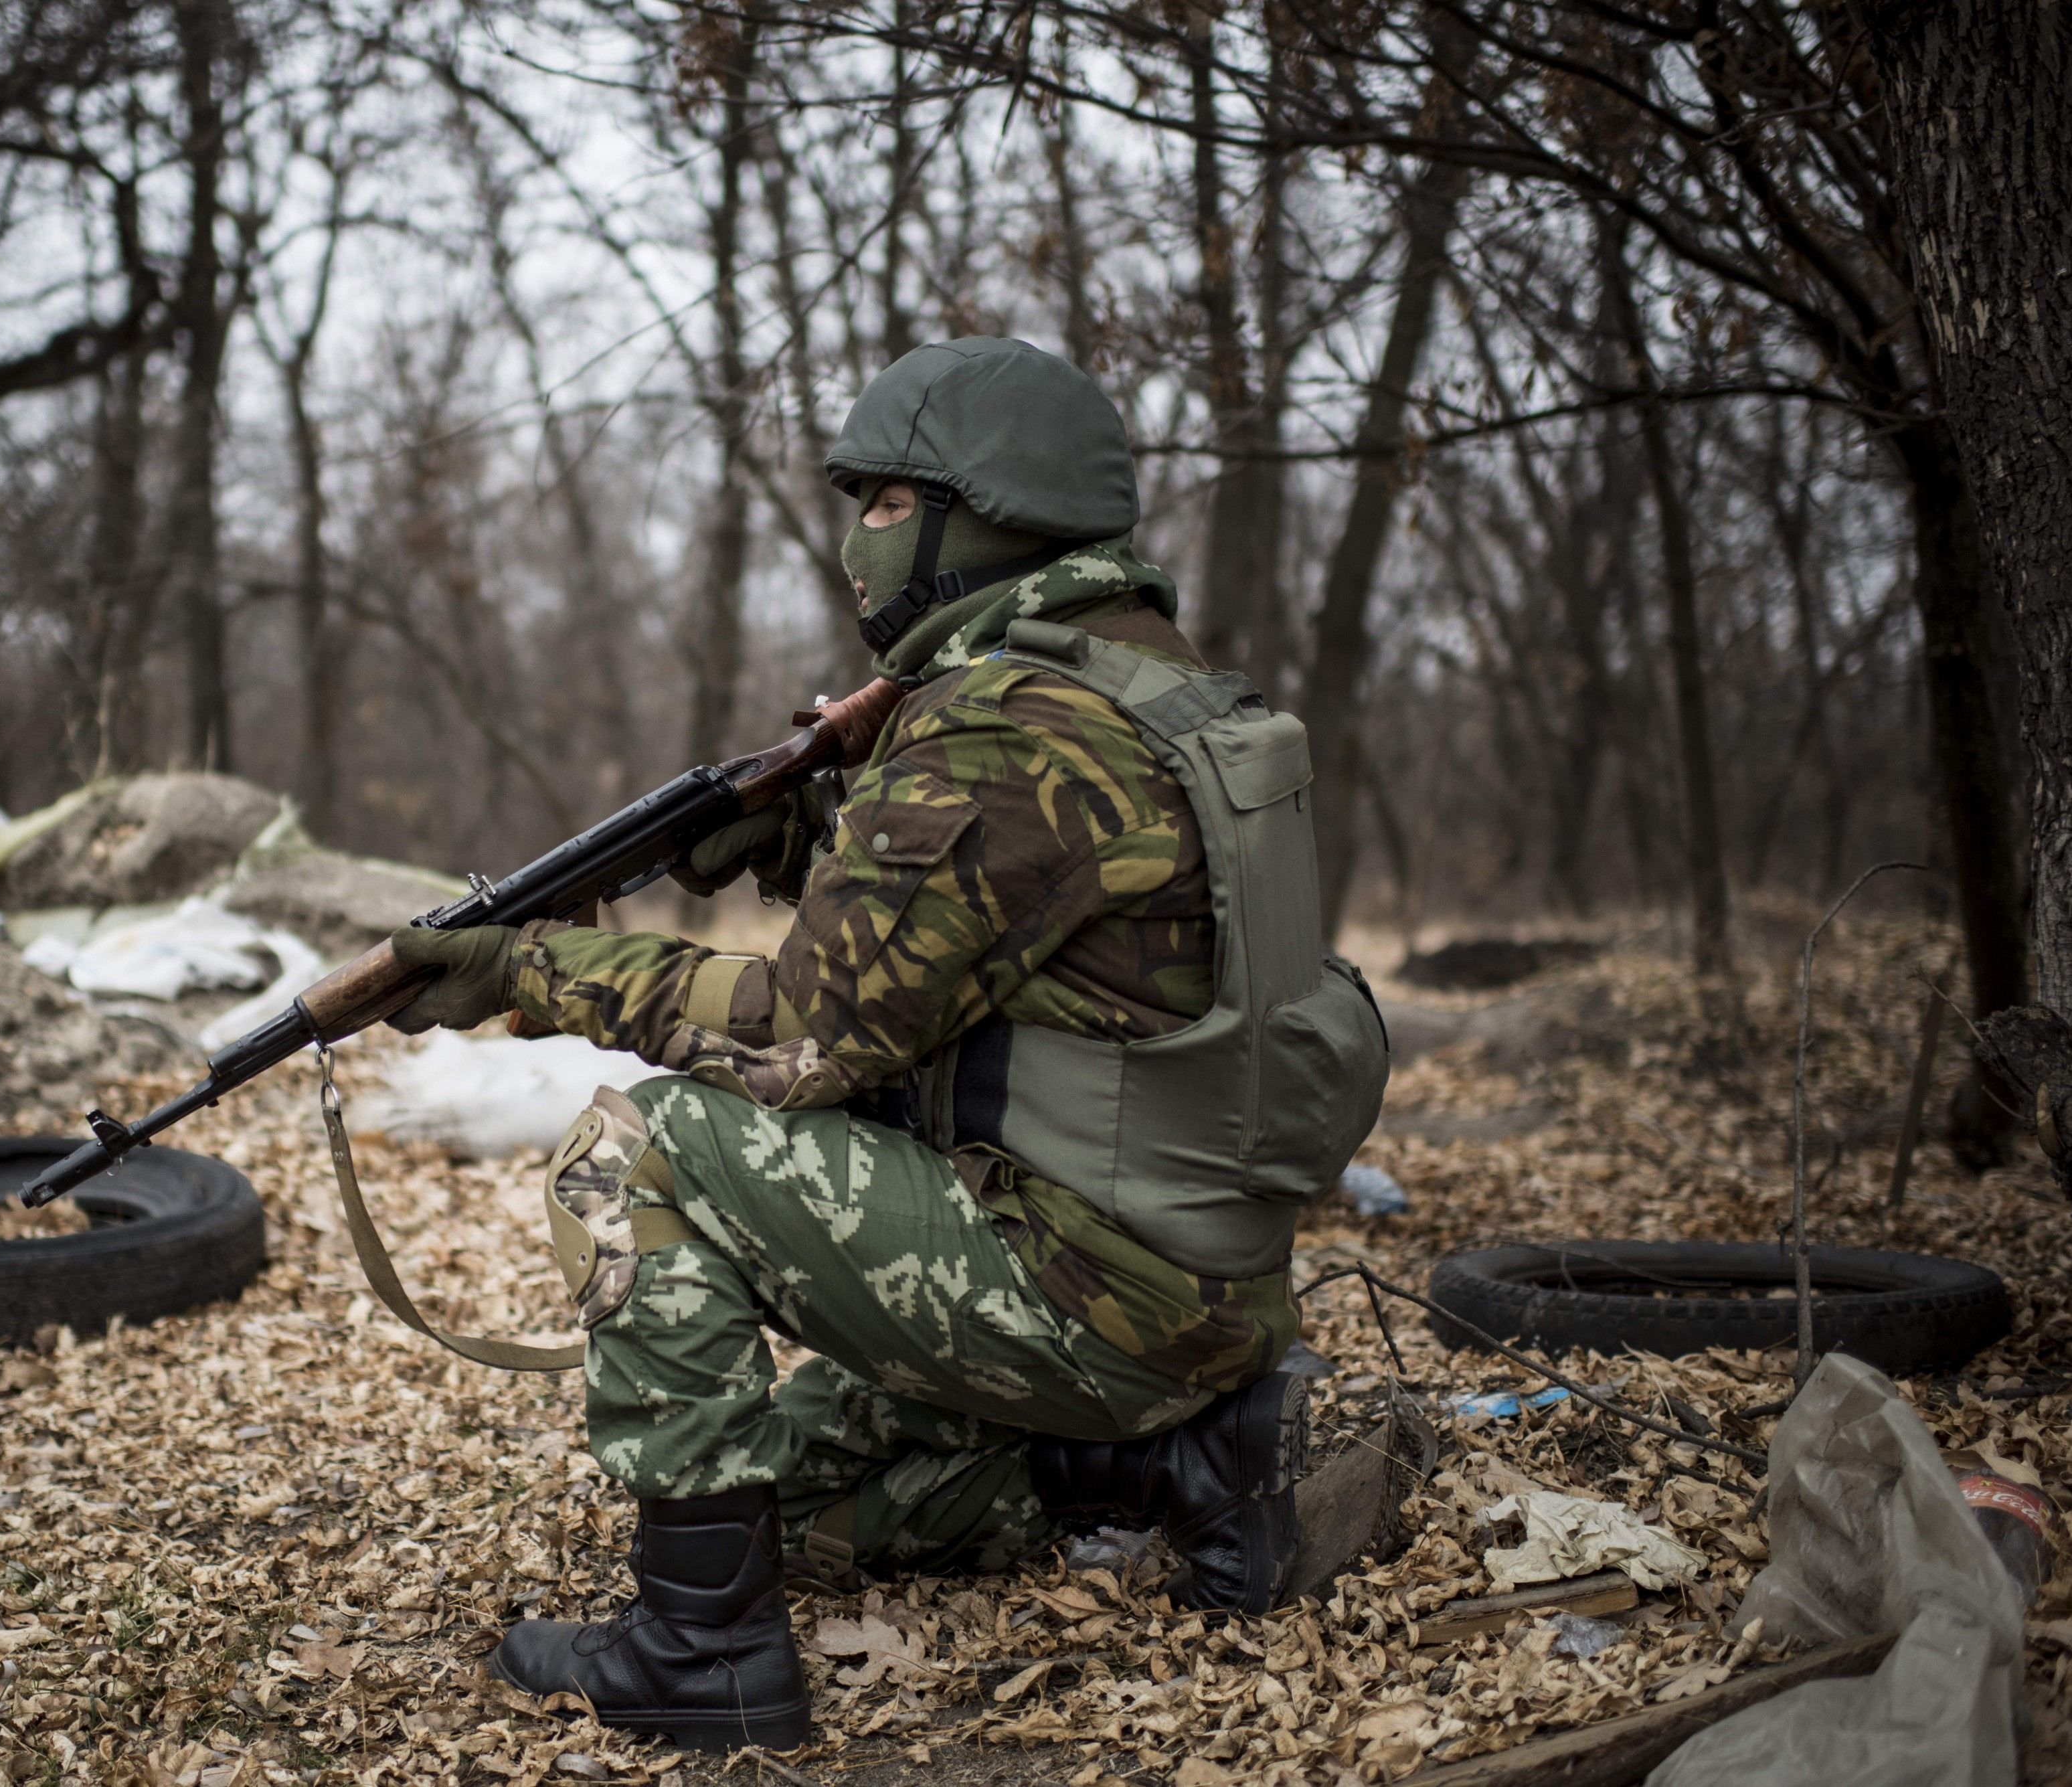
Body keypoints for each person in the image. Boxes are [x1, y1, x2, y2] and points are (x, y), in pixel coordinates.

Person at [386, 337, 1390, 1750]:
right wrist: (806, 835)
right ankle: (1179, 1466)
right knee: (795, 1509)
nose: (856, 541)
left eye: (883, 502)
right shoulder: (1161, 694)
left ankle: (704, 1656)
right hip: (1189, 1293)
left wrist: (531, 970)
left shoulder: (1007, 726)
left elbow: (808, 1040)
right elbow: (1004, 948)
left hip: (1087, 1288)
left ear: (982, 514)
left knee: (639, 1151)